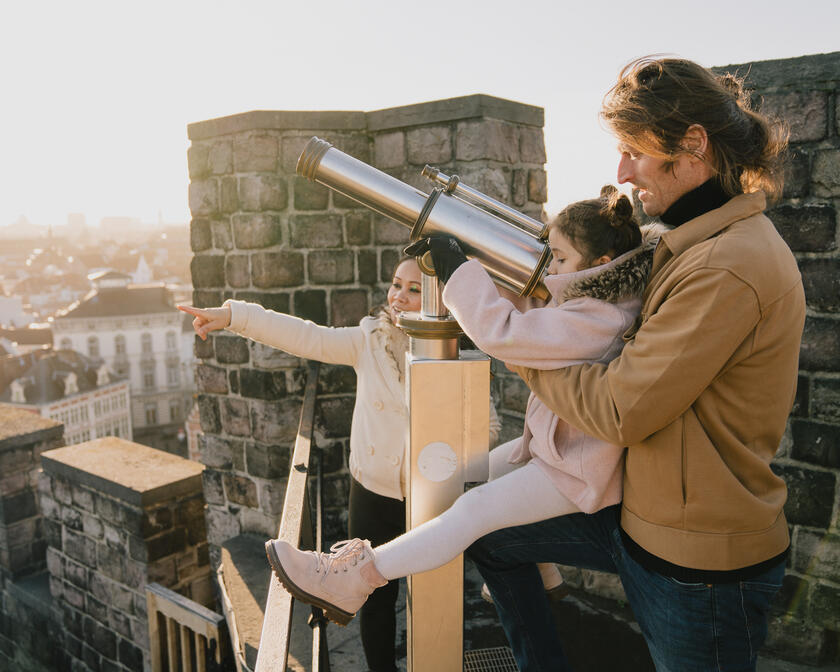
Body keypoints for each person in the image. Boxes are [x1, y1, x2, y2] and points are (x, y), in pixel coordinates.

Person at [462, 57, 804, 672]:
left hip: (700, 563)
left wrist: (518, 342)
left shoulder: (726, 265)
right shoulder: (687, 241)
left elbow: (620, 408)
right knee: (488, 534)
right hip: (641, 520)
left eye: (634, 152)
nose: (621, 172)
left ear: (692, 146)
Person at [263, 188, 663, 629]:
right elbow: (535, 307)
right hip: (560, 450)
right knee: (459, 482)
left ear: (601, 263)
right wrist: (472, 258)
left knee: (474, 511)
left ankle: (352, 580)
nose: (550, 269)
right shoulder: (597, 298)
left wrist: (458, 270)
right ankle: (543, 572)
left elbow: (507, 332)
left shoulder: (603, 316)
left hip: (578, 468)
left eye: (560, 260)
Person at [179, 257, 500, 672]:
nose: (398, 297)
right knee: (373, 599)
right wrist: (232, 315)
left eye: (414, 289)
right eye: (395, 284)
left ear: (442, 299)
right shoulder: (368, 339)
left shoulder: (457, 352)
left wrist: (442, 456)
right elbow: (305, 336)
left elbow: (487, 426)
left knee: (436, 598)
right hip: (371, 492)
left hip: (432, 496)